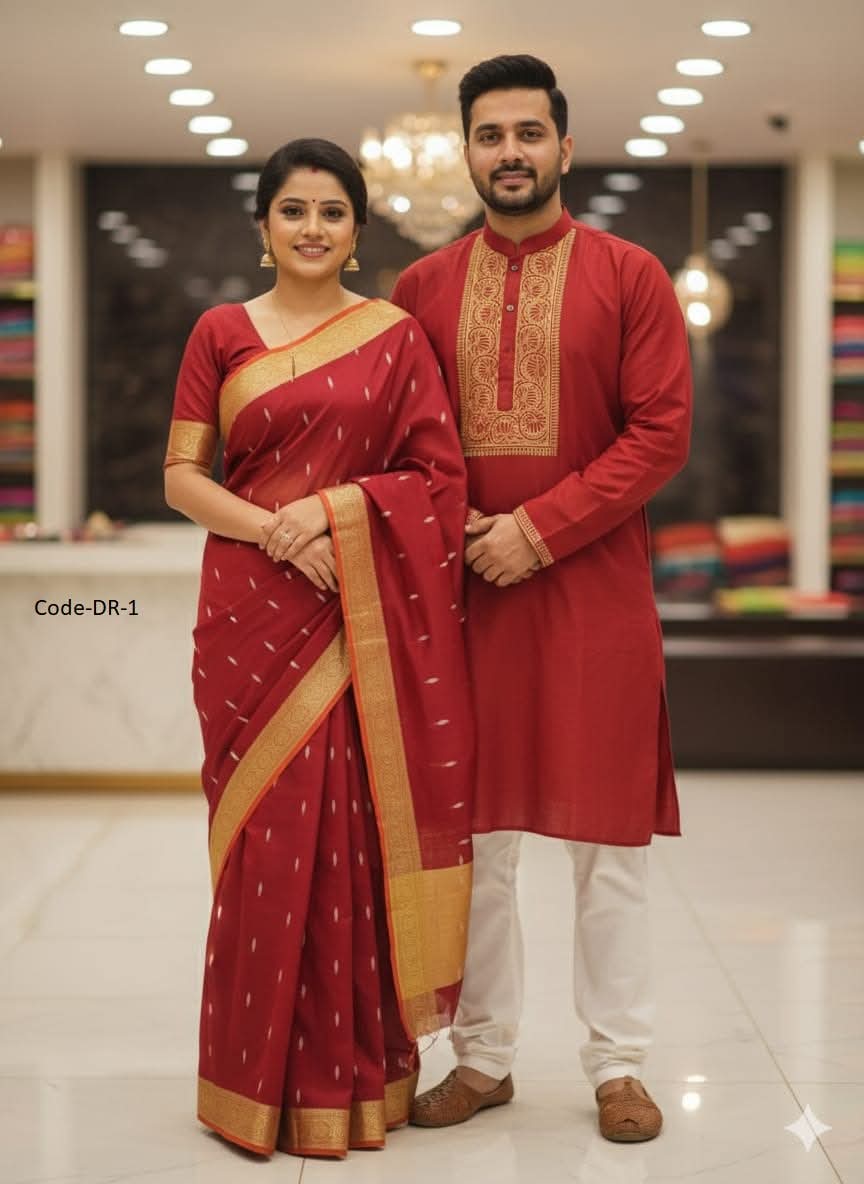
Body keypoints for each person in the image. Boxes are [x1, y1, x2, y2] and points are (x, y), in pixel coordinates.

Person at [391, 56, 692, 1143]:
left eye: (528, 133)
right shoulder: (421, 290)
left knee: (608, 848)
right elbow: (400, 443)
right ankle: (483, 1056)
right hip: (466, 602)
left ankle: (619, 1064)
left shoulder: (631, 275)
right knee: (476, 845)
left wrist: (539, 528)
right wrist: (464, 532)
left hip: (596, 599)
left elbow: (660, 434)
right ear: (467, 151)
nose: (509, 152)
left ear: (565, 146)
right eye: (490, 134)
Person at [163, 138, 474, 1160]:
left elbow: (437, 480)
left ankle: (350, 1081)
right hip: (248, 613)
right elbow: (181, 476)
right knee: (265, 840)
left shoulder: (395, 336)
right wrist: (276, 529)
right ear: (263, 226)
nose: (311, 227)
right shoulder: (221, 331)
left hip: (354, 609)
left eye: (332, 211)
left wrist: (335, 513)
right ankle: (248, 1080)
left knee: (351, 835)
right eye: (292, 209)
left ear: (358, 229)